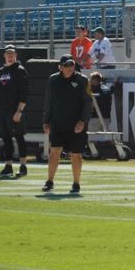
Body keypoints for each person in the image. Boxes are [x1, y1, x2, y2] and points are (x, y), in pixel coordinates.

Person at [42, 55, 92, 193]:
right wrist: (46, 121)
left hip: (76, 124)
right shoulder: (53, 80)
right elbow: (48, 101)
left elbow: (88, 102)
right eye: (66, 65)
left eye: (71, 65)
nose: (69, 68)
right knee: (54, 151)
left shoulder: (82, 80)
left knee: (76, 153)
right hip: (58, 122)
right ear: (60, 67)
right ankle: (50, 181)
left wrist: (83, 121)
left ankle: (76, 183)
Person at [0, 45, 29, 177]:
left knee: (19, 137)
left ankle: (23, 166)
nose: (10, 56)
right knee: (6, 139)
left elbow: (24, 93)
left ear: (16, 55)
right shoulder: (0, 72)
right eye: (8, 54)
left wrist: (19, 111)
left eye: (12, 54)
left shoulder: (20, 70)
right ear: (4, 56)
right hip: (2, 111)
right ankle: (8, 166)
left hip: (15, 110)